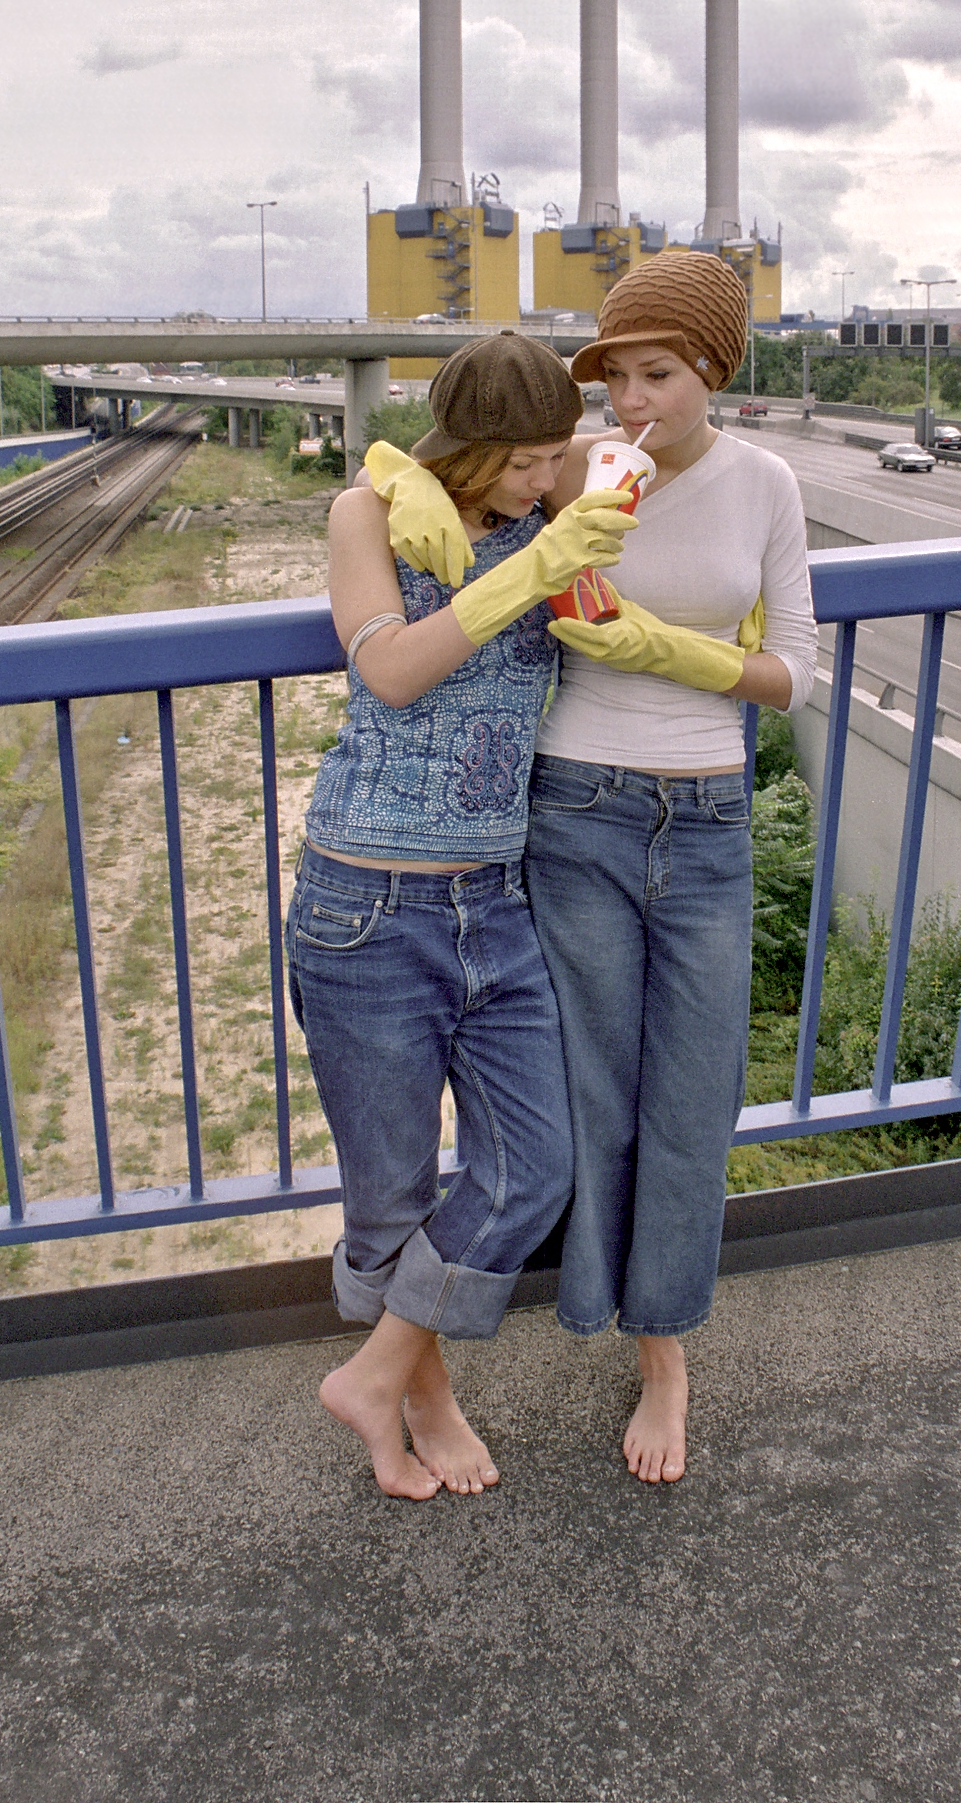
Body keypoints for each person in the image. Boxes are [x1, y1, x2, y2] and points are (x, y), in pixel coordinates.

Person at [372, 253, 817, 1487]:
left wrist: (670, 650)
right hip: (575, 806)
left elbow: (795, 671)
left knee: (692, 1099)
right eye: (613, 376)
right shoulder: (574, 468)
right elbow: (432, 457)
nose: (629, 402)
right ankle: (594, 1313)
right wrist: (393, 480)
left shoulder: (765, 485)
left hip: (710, 817)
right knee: (590, 1092)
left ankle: (663, 1350)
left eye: (656, 375)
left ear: (711, 370)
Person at [288, 331, 636, 1500]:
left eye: (552, 458)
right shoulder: (368, 513)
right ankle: (419, 1403)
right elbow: (389, 669)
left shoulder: (552, 499)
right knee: (390, 1192)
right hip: (365, 901)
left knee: (534, 1165)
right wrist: (531, 572)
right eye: (524, 462)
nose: (544, 481)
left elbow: (641, 442)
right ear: (469, 446)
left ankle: (376, 1371)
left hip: (494, 896)